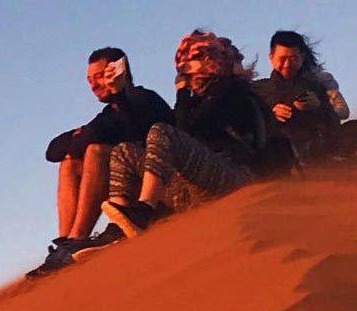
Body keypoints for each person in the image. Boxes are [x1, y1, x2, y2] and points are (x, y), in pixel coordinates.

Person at [99, 30, 268, 238]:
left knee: (162, 131)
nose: (185, 65)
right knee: (123, 151)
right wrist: (119, 96)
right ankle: (117, 229)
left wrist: (181, 92)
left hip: (235, 180)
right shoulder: (198, 96)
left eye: (195, 58)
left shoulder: (231, 89)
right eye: (186, 59)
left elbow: (183, 130)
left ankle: (145, 210)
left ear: (212, 58)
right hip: (197, 187)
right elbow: (147, 141)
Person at [28, 47, 172, 276]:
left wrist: (87, 133)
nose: (92, 85)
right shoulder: (107, 114)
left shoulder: (144, 98)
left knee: (95, 151)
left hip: (160, 187)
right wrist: (84, 135)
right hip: (126, 185)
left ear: (118, 70)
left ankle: (78, 239)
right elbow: (53, 151)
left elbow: (139, 136)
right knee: (70, 162)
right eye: (89, 80)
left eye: (98, 77)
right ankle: (65, 243)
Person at [254, 30, 357, 160]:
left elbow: (334, 124)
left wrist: (319, 107)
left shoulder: (316, 86)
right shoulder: (258, 89)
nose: (287, 65)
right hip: (281, 149)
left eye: (294, 58)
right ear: (271, 57)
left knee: (355, 127)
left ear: (302, 58)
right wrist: (270, 115)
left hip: (316, 146)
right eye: (282, 59)